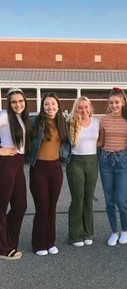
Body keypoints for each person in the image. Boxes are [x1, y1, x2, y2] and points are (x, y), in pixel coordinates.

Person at [29, 92, 70, 256]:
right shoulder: (35, 122)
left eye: (53, 104)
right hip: (39, 168)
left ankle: (50, 241)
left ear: (58, 105)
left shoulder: (63, 123)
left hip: (56, 169)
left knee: (52, 207)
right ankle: (38, 243)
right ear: (42, 106)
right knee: (42, 208)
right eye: (47, 104)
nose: (50, 107)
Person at [99, 87, 127, 246]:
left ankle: (125, 229)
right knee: (109, 200)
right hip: (105, 159)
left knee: (122, 200)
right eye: (111, 103)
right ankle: (114, 231)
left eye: (117, 102)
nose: (114, 105)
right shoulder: (103, 120)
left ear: (123, 102)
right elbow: (100, 142)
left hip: (122, 160)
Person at [0, 88, 31, 260]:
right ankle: (4, 248)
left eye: (20, 101)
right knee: (1, 208)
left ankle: (8, 240)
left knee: (20, 206)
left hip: (18, 164)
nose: (18, 104)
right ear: (8, 103)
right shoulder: (4, 115)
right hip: (6, 164)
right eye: (14, 102)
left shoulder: (21, 118)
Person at [66, 97, 100, 247]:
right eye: (80, 107)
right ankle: (75, 235)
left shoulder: (97, 123)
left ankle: (88, 233)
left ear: (90, 108)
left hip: (92, 162)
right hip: (75, 163)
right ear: (76, 109)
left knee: (88, 199)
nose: (84, 110)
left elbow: (101, 142)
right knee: (77, 199)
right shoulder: (70, 123)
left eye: (86, 107)